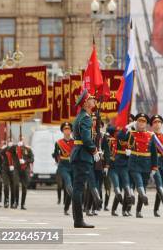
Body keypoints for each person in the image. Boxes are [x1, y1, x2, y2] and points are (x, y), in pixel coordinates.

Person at [71, 90, 101, 228]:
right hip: (83, 156)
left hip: (79, 154)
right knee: (78, 189)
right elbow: (86, 139)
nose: (94, 100)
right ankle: (78, 220)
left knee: (78, 188)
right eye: (91, 98)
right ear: (85, 103)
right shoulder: (86, 118)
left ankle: (78, 219)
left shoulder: (81, 116)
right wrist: (94, 150)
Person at [120, 113, 158, 218]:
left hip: (146, 163)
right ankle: (143, 195)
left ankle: (138, 210)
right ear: (136, 122)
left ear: (146, 124)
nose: (141, 123)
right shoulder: (131, 133)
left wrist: (154, 166)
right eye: (139, 121)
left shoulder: (151, 135)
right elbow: (120, 138)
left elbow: (154, 152)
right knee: (138, 180)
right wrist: (126, 128)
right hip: (134, 162)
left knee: (144, 185)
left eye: (143, 121)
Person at [53, 122, 74, 215]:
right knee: (68, 184)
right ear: (62, 131)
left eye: (69, 129)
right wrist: (57, 158)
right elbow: (56, 154)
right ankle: (75, 203)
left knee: (72, 187)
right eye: (65, 129)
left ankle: (66, 207)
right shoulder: (58, 143)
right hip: (64, 166)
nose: (67, 130)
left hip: (73, 166)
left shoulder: (75, 142)